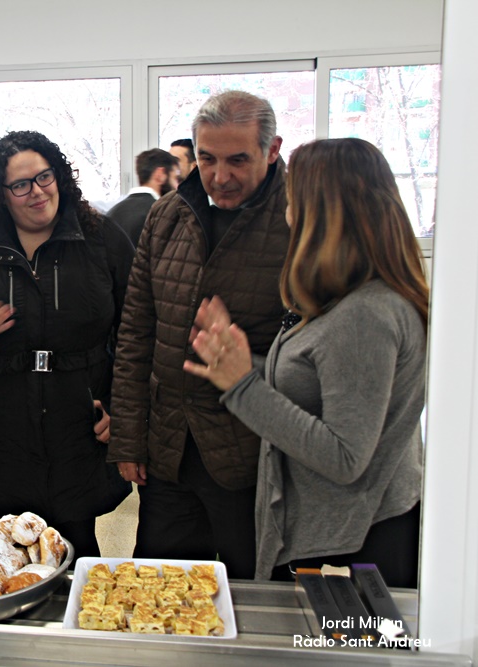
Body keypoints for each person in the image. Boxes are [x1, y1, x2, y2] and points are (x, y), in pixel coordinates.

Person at [183, 138, 427, 587]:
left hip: (357, 547)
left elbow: (344, 455)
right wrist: (237, 362)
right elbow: (315, 384)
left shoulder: (366, 315)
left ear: (322, 212)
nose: (286, 212)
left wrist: (241, 385)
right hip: (340, 534)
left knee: (344, 655)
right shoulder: (348, 299)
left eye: (293, 199)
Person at [108, 91, 290, 578]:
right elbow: (136, 332)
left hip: (252, 456)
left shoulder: (300, 220)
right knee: (159, 590)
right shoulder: (167, 215)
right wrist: (128, 439)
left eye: (238, 160)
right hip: (169, 451)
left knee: (253, 597)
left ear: (272, 151)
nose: (219, 175)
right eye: (206, 158)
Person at [0, 130, 134, 559]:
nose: (37, 192)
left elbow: (136, 331)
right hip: (0, 423)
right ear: (1, 194)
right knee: (4, 556)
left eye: (45, 177)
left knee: (77, 549)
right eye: (21, 185)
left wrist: (122, 407)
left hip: (80, 420)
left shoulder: (101, 237)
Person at [107, 148, 181, 244]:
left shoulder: (112, 213)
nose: (177, 186)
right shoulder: (162, 215)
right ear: (160, 175)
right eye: (175, 178)